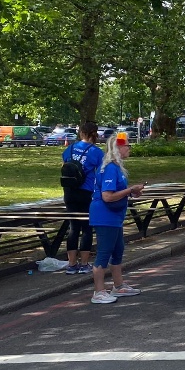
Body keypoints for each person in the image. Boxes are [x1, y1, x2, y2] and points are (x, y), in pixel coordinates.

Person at [88, 132, 144, 304]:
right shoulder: (111, 168)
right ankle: (98, 291)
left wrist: (129, 193)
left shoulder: (115, 167)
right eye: (127, 145)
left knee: (118, 249)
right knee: (104, 253)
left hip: (114, 216)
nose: (129, 148)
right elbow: (107, 196)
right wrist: (130, 190)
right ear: (118, 147)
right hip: (106, 216)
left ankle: (118, 286)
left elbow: (116, 194)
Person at [61, 121, 104, 274]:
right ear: (95, 134)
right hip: (86, 192)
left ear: (81, 133)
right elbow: (100, 174)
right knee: (86, 228)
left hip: (69, 192)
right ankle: (84, 264)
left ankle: (71, 265)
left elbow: (63, 167)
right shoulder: (97, 152)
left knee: (73, 228)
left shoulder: (70, 148)